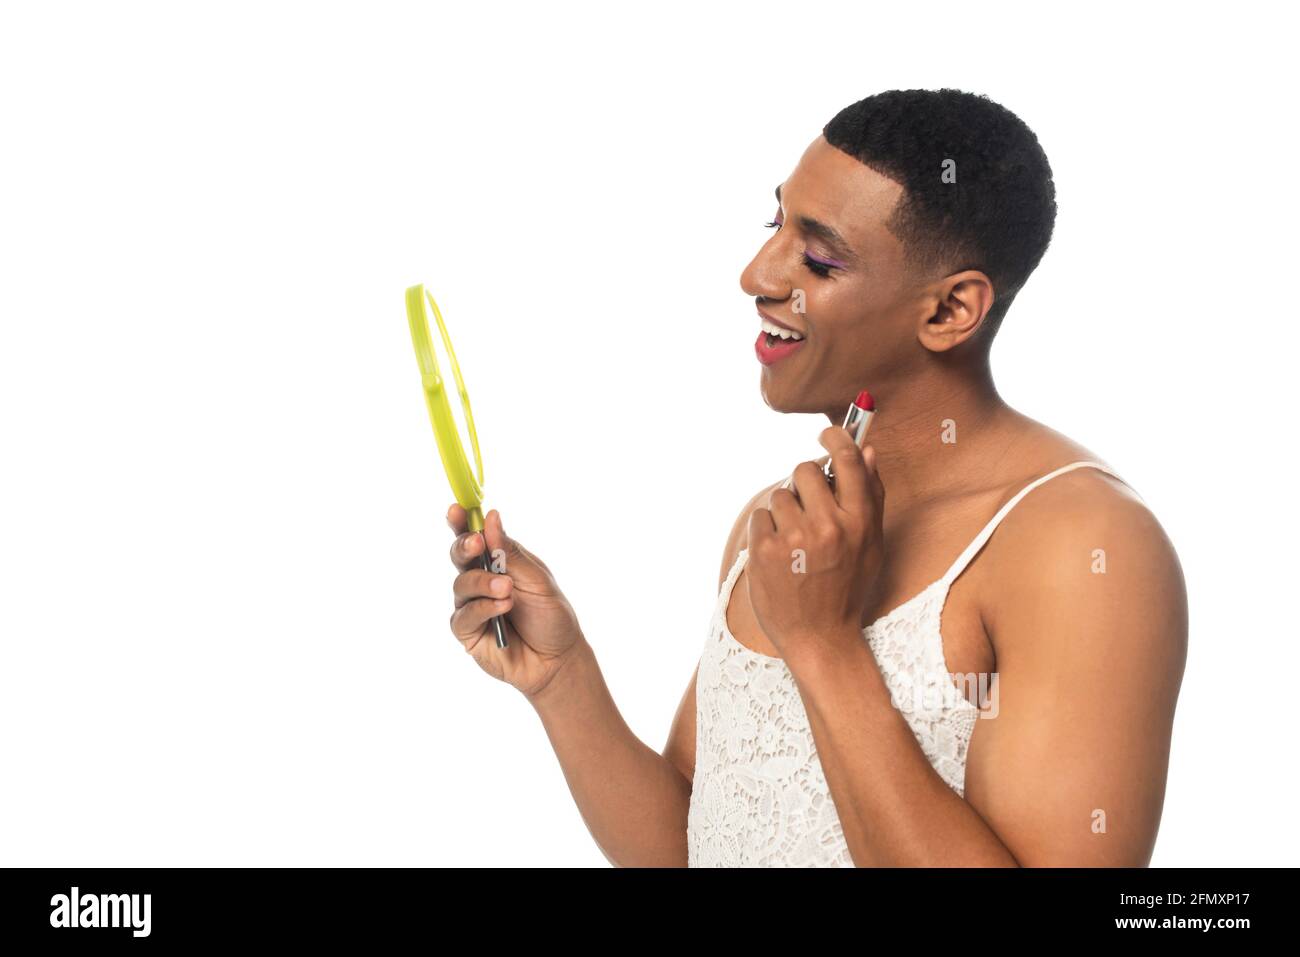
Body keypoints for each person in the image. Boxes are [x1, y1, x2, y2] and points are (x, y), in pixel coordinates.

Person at [444, 88, 1187, 867]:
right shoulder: (781, 526)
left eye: (820, 259)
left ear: (950, 310)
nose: (756, 275)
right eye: (776, 226)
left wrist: (826, 646)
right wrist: (563, 679)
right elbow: (695, 847)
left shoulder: (1083, 548)